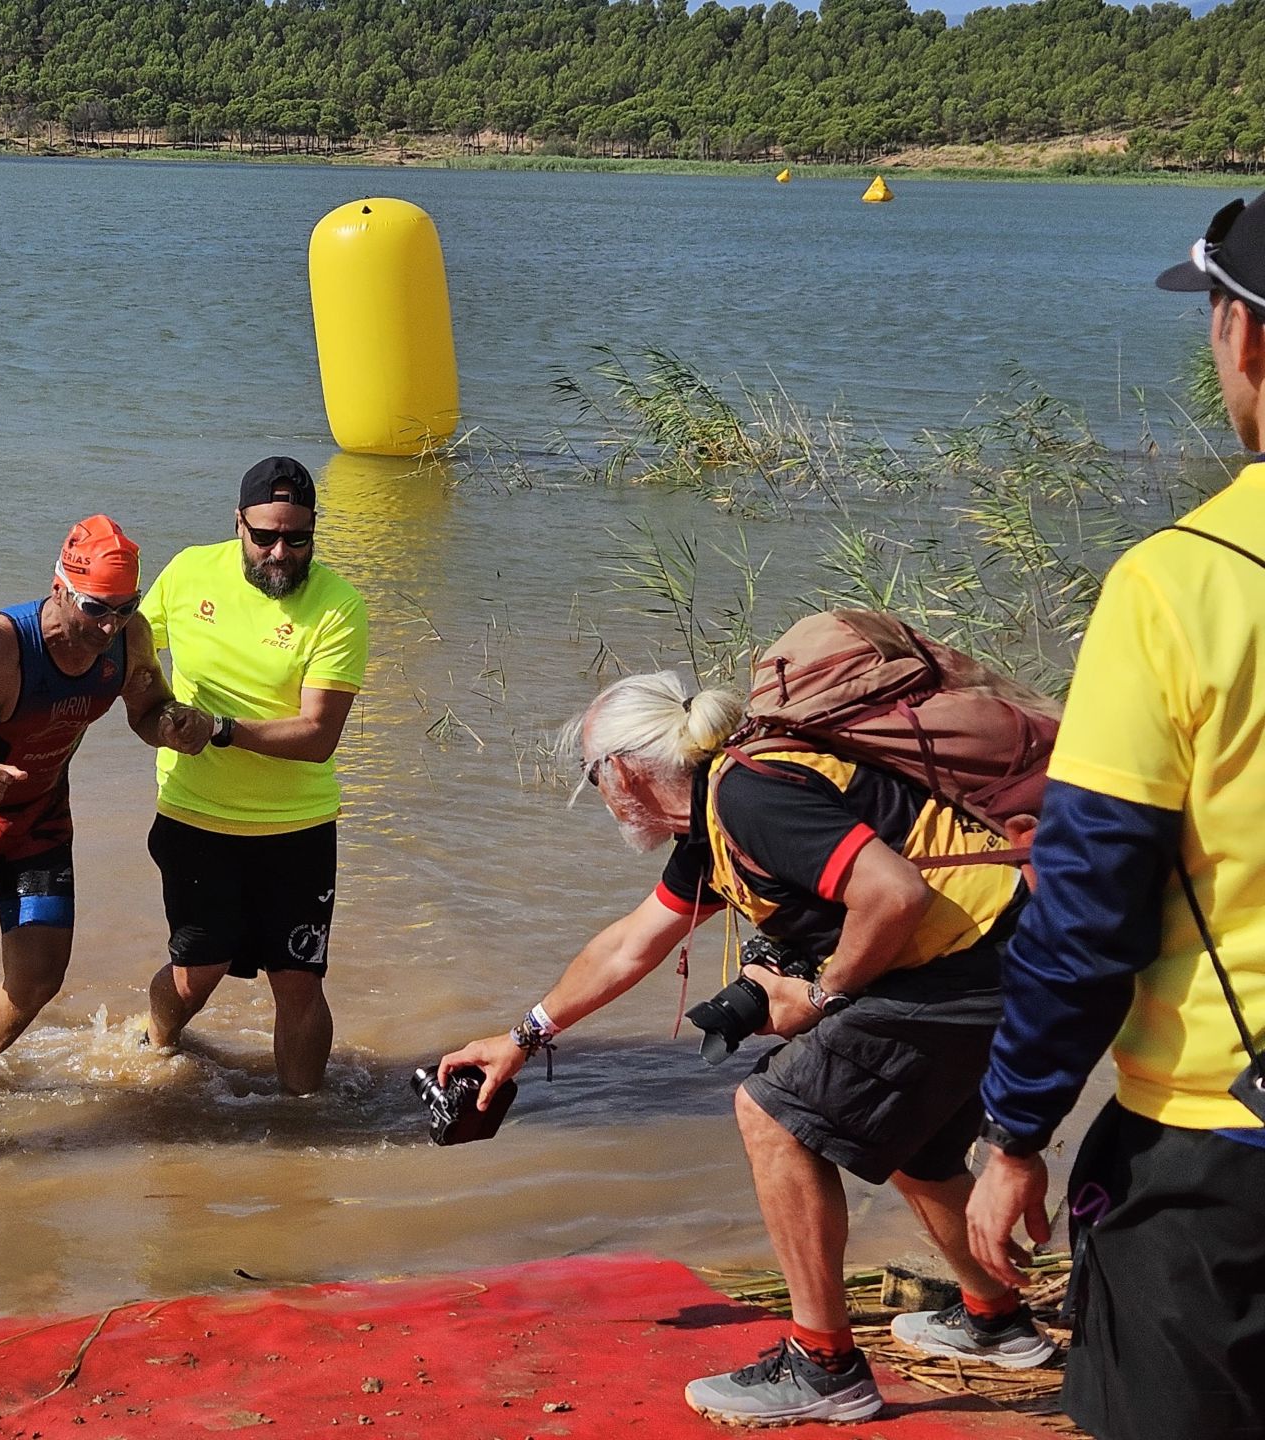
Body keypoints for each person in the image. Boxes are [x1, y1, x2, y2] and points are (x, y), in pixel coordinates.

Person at [439, 670, 1046, 1425]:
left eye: (594, 777)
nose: (600, 795)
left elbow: (895, 895)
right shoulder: (712, 822)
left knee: (774, 1113)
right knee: (911, 1145)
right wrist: (521, 1038)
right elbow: (631, 945)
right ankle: (997, 1321)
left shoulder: (750, 799)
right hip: (1004, 954)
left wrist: (818, 995)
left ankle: (825, 1368)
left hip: (975, 965)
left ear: (623, 770)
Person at [967, 193, 1265, 1440]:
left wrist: (1015, 1133)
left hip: (1220, 1151)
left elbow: (1090, 902)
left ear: (1245, 338)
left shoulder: (1181, 586)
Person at [0, 515, 212, 1090]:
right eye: (96, 608)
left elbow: (149, 711)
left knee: (40, 976)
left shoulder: (129, 638)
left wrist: (173, 724)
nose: (109, 625)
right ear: (60, 588)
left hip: (38, 820)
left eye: (125, 607)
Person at [139, 457, 369, 1095]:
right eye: (264, 536)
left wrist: (220, 728)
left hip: (297, 828)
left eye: (297, 538)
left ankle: (304, 1115)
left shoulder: (339, 606)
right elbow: (129, 645)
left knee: (298, 981)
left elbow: (318, 735)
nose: (280, 553)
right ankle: (152, 1047)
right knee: (198, 973)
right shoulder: (188, 571)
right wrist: (151, 710)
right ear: (237, 522)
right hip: (195, 815)